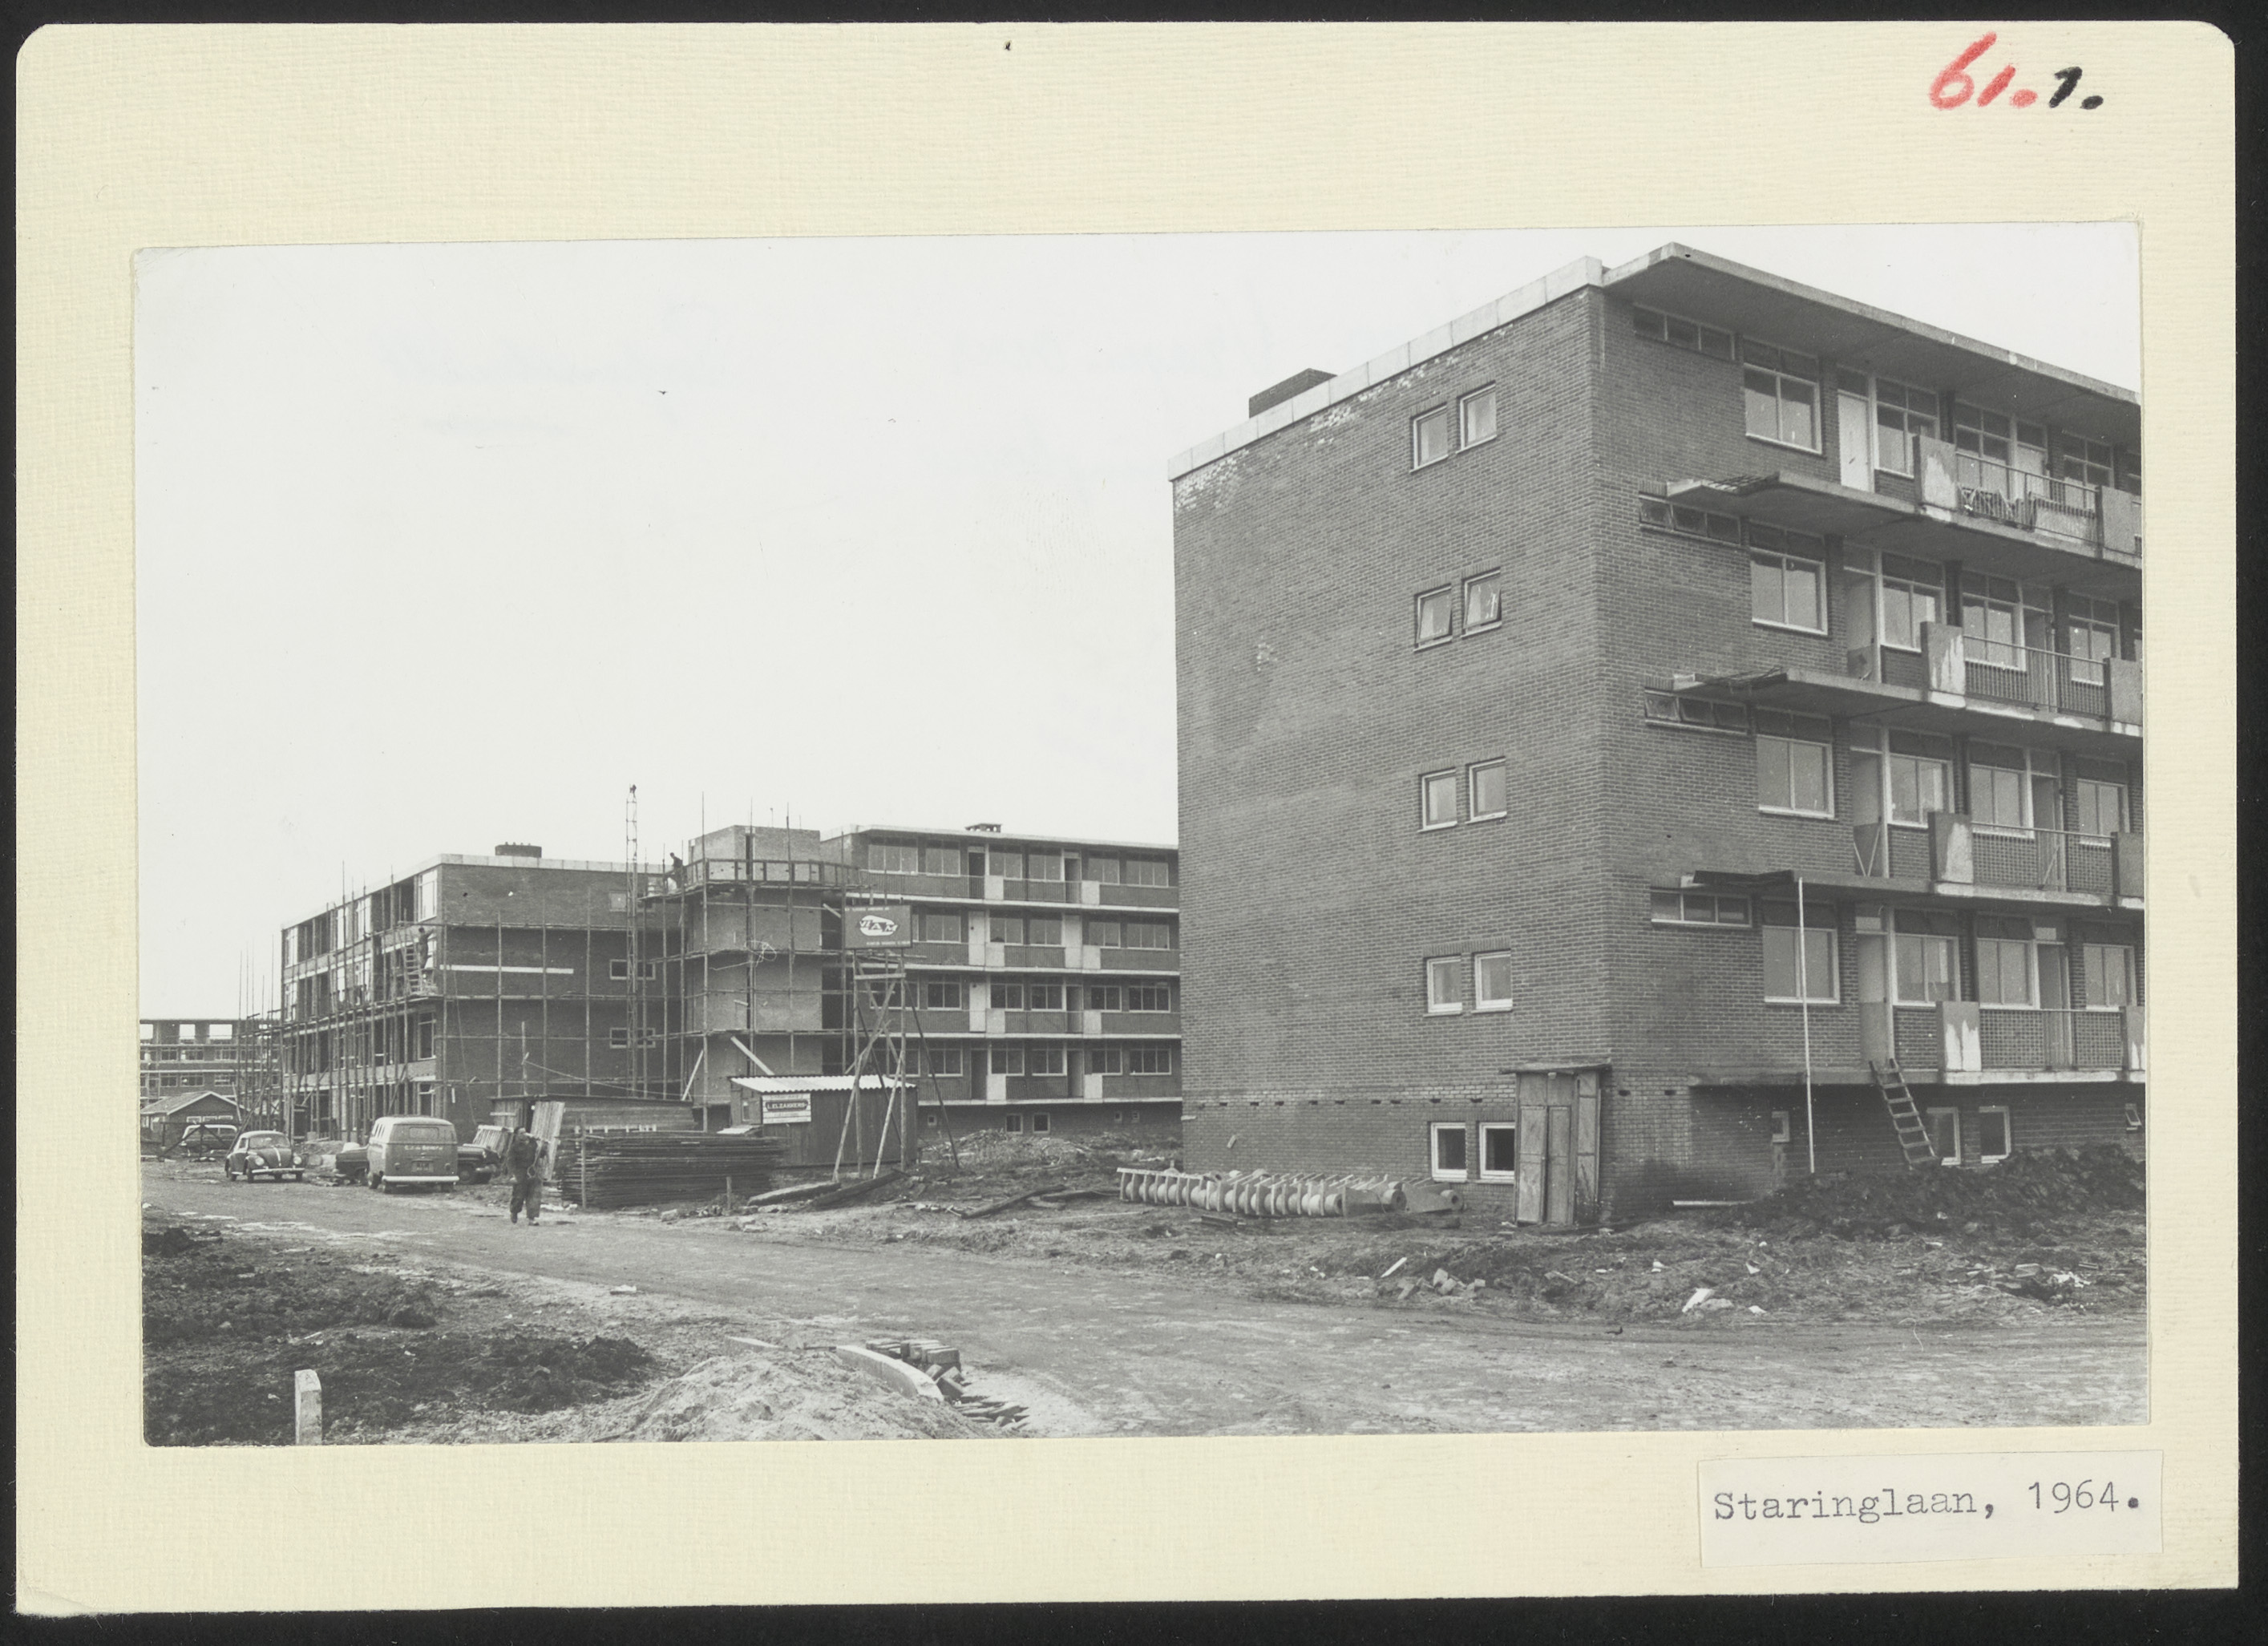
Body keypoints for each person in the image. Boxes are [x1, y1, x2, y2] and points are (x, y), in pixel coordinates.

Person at [505, 1125, 544, 1224]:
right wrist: (512, 1175)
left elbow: (540, 1155)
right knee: (518, 1196)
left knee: (534, 1196)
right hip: (520, 1173)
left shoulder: (533, 1143)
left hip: (533, 1172)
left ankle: (532, 1219)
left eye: (525, 1132)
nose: (524, 1134)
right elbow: (510, 1162)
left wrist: (544, 1146)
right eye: (521, 1133)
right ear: (517, 1135)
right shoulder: (514, 1147)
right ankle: (514, 1212)